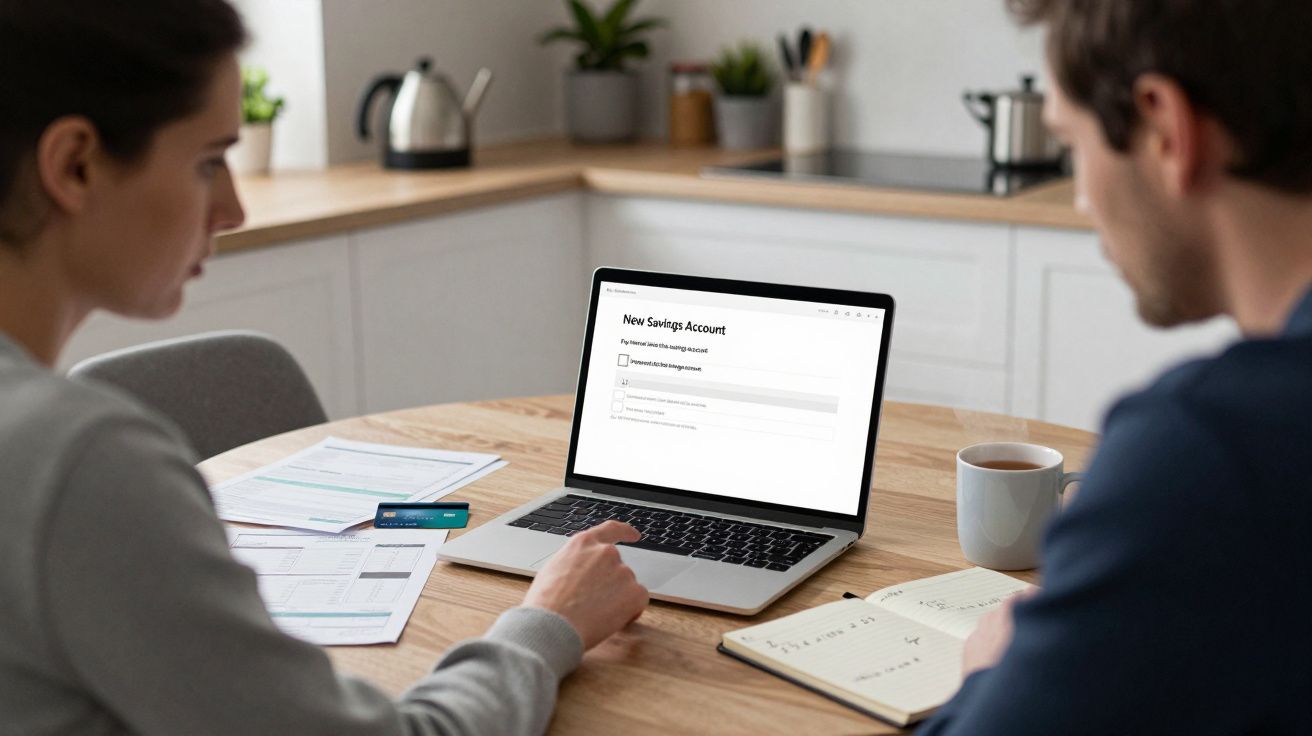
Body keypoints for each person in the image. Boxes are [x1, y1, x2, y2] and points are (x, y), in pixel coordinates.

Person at [0, 2, 648, 734]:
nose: (235, 207)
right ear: (74, 164)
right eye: (209, 160)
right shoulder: (82, 464)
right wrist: (546, 622)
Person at [919, 1, 1312, 733]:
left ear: (1165, 127)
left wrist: (991, 676)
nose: (1079, 197)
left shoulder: (1210, 454)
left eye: (1070, 144)